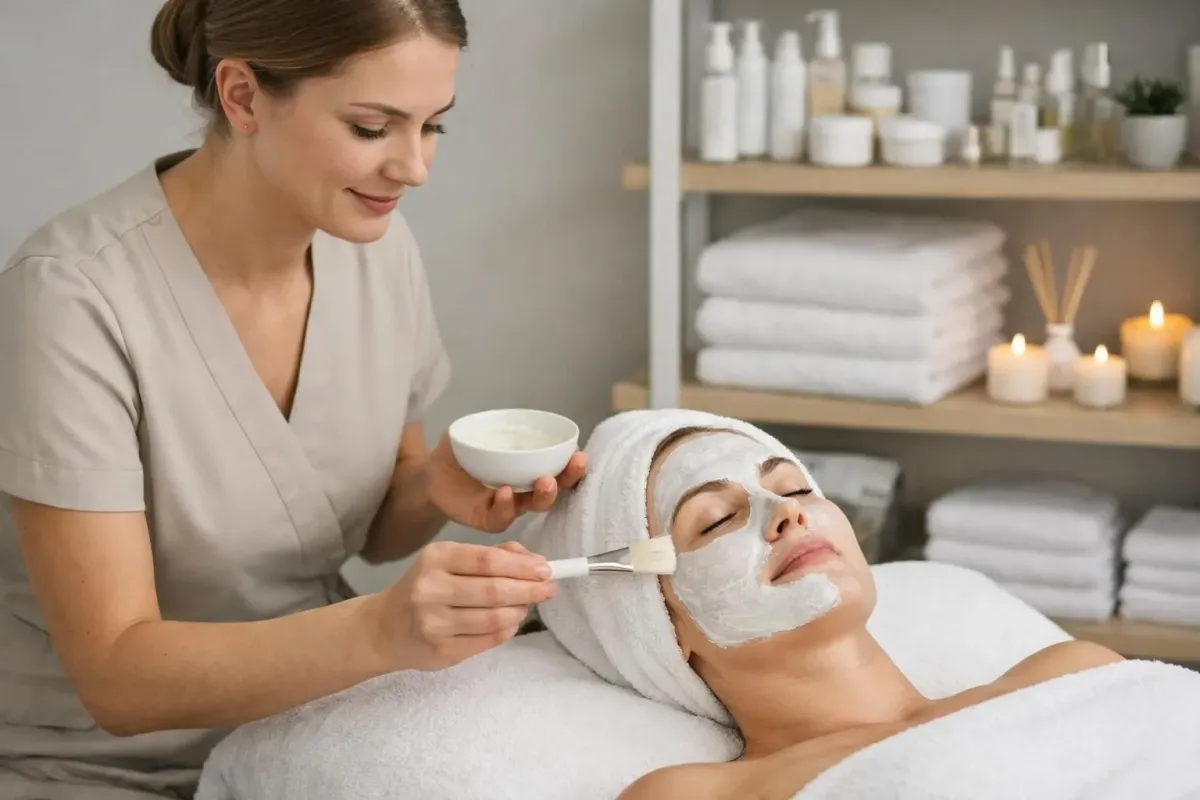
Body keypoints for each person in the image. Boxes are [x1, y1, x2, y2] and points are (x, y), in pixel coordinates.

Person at [0, 1, 583, 798]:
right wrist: (385, 628)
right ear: (241, 96)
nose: (414, 168)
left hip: (307, 731)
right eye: (374, 129)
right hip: (99, 766)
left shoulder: (376, 249)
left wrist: (436, 486)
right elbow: (116, 678)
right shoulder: (71, 301)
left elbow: (371, 528)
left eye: (434, 126)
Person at [527, 411, 1145, 799]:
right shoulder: (691, 796)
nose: (787, 512)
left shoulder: (1069, 676)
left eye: (793, 485)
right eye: (716, 522)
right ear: (656, 629)